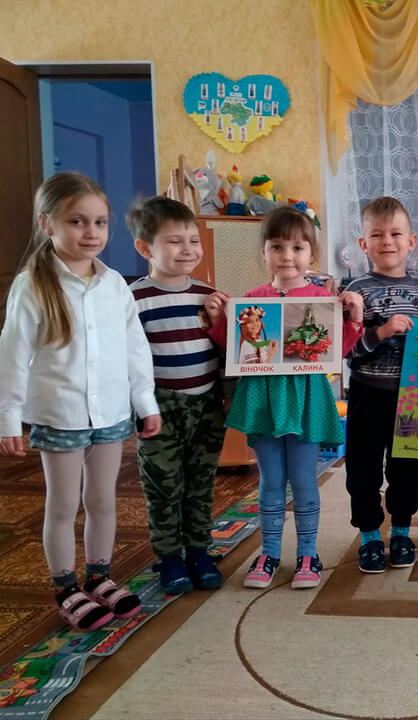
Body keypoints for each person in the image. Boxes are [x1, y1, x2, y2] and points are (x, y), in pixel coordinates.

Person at [0, 172, 160, 631]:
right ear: (46, 223)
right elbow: (12, 354)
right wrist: (9, 416)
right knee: (63, 504)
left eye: (100, 222)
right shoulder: (33, 285)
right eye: (77, 221)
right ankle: (66, 587)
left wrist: (145, 402)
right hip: (60, 416)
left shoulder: (115, 285)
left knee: (103, 499)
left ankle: (100, 577)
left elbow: (134, 348)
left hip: (110, 413)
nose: (91, 232)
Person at [206, 206, 364, 589]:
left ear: (311, 253)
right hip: (263, 397)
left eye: (297, 247)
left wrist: (355, 316)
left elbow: (339, 349)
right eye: (277, 247)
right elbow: (234, 347)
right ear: (264, 252)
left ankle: (308, 553)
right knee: (271, 479)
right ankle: (269, 553)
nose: (287, 256)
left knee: (304, 478)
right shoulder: (252, 298)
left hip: (306, 397)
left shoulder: (323, 299)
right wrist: (217, 319)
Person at [128, 196, 226, 595]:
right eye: (174, 241)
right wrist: (138, 407)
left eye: (193, 240)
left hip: (207, 406)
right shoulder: (133, 299)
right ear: (145, 248)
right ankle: (169, 558)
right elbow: (127, 360)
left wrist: (228, 396)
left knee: (201, 483)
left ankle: (199, 551)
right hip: (159, 408)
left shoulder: (209, 296)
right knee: (163, 486)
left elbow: (226, 349)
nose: (188, 249)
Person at [344, 197, 418, 573]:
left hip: (409, 397)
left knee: (405, 468)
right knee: (362, 469)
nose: (387, 241)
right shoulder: (355, 291)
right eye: (377, 234)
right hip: (366, 393)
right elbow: (348, 352)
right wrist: (381, 331)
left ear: (411, 242)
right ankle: (369, 536)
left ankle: (401, 532)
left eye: (396, 234)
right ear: (363, 244)